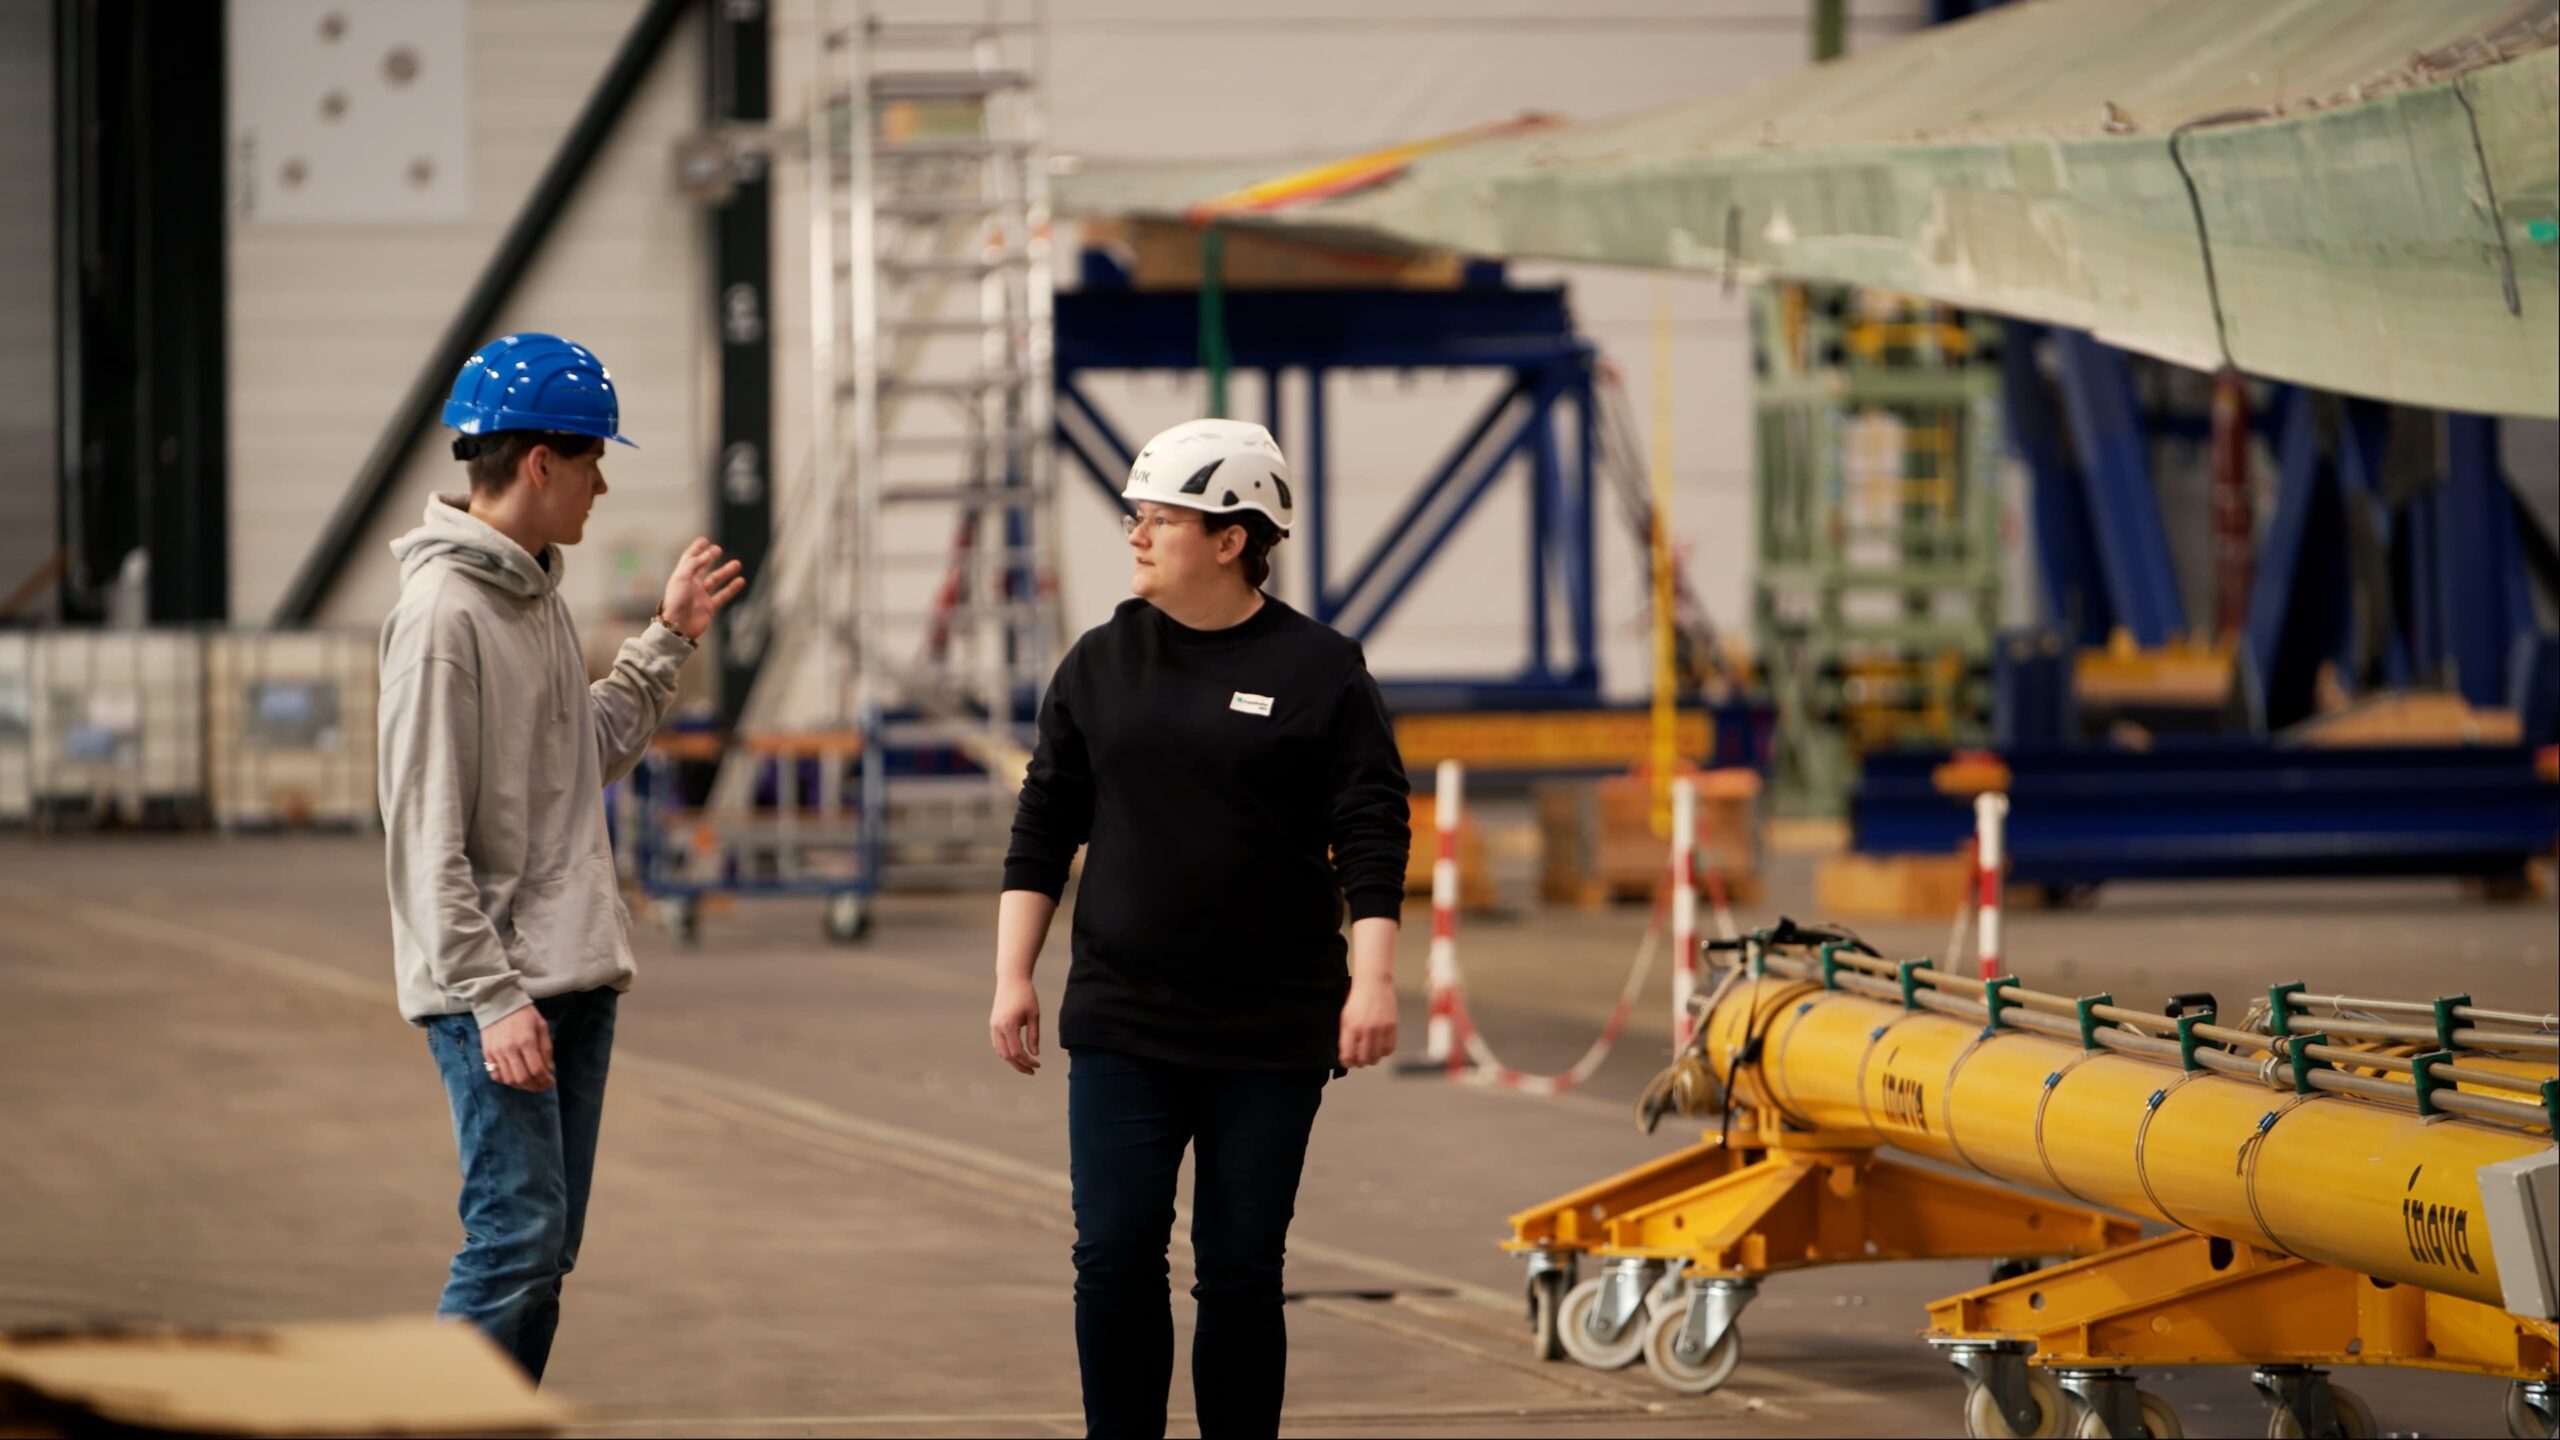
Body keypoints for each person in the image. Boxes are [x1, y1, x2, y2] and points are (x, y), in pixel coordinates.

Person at [989, 417, 1410, 1438]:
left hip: (1270, 1026)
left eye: (1159, 520)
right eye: (1136, 518)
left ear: (1232, 538)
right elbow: (1045, 824)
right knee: (1115, 1253)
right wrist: (1013, 976)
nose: (1135, 537)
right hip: (1126, 1015)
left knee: (1238, 1269)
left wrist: (1374, 979)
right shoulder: (1099, 664)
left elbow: (1371, 831)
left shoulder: (1319, 668)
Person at [378, 332, 745, 1383]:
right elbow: (422, 834)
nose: (601, 482)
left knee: (542, 1253)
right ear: (539, 461)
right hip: (496, 987)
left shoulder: (533, 593)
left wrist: (665, 639)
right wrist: (492, 999)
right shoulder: (443, 616)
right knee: (512, 1244)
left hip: (570, 975)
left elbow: (576, 757)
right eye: (591, 458)